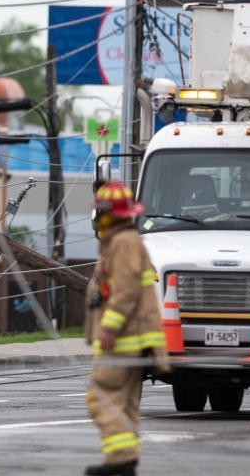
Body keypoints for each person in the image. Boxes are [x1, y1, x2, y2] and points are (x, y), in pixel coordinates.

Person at [84, 182, 169, 476]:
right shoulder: (123, 240)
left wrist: (108, 327)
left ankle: (120, 459)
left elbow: (125, 291)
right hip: (131, 340)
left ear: (106, 214)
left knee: (102, 396)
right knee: (125, 403)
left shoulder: (123, 243)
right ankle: (127, 460)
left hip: (122, 340)